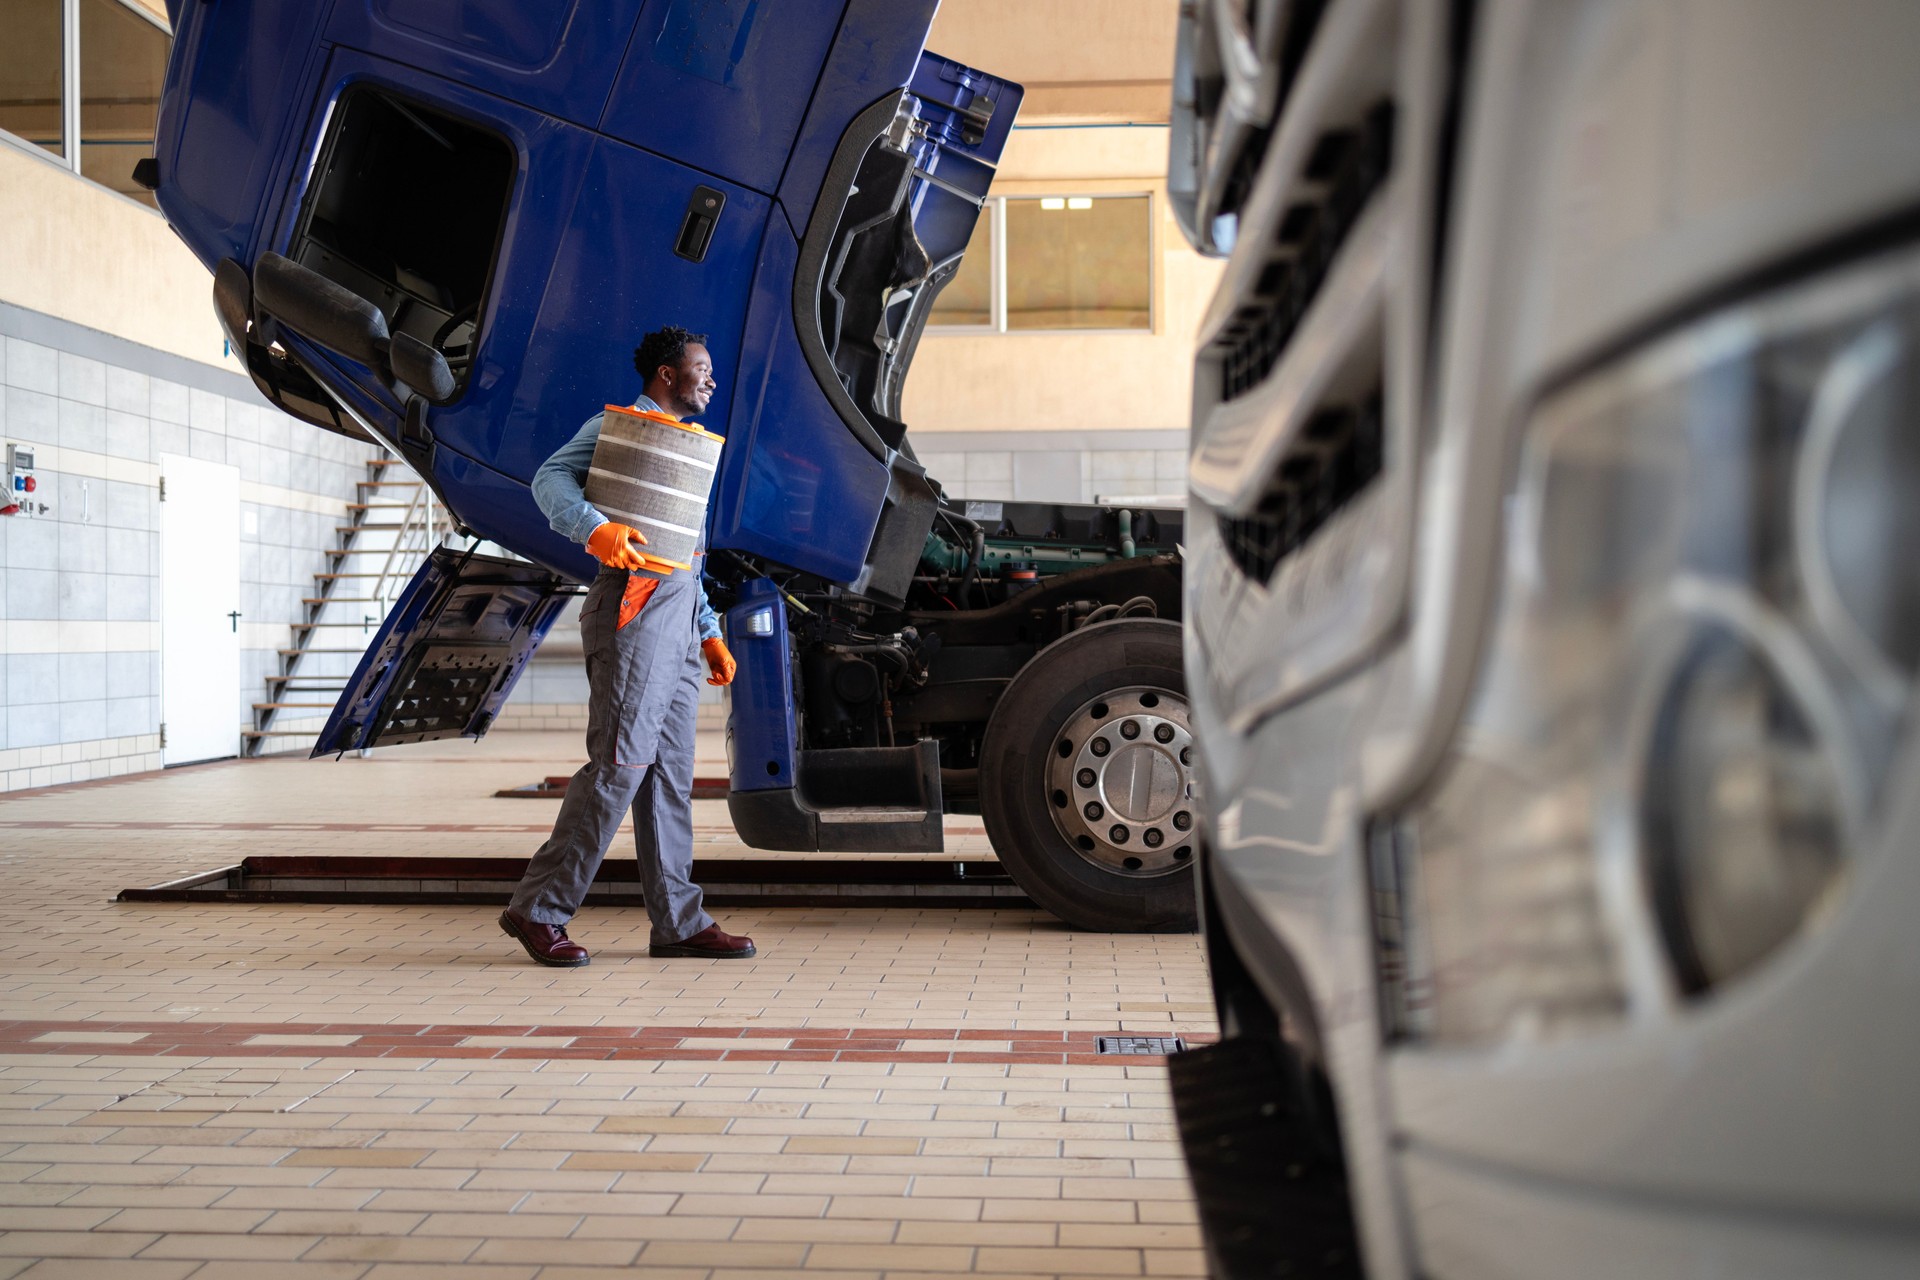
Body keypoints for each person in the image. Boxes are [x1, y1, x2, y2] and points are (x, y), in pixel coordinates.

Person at [498, 326, 755, 965]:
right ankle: (537, 908)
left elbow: (683, 556)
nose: (710, 379)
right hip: (631, 609)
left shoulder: (687, 446)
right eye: (701, 367)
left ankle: (678, 923)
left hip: (677, 619)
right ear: (667, 375)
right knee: (620, 764)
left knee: (668, 776)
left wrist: (710, 632)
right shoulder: (621, 426)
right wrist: (596, 528)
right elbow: (549, 479)